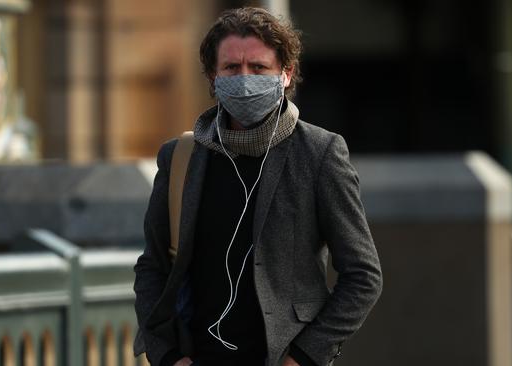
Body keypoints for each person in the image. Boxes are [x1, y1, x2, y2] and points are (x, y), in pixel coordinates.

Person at [134, 7, 382, 366]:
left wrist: (305, 356)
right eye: (232, 68)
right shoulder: (181, 157)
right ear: (212, 77)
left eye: (259, 68)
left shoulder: (320, 153)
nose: (245, 78)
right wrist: (167, 355)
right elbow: (152, 267)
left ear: (286, 73)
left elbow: (363, 276)